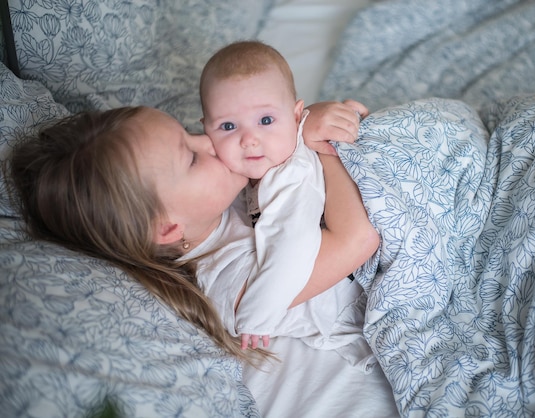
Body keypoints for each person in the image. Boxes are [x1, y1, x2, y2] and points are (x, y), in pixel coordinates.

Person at [8, 102, 379, 366]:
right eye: (192, 157)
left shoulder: (219, 204)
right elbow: (358, 239)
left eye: (191, 133)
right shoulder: (232, 285)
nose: (211, 142)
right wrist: (316, 146)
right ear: (169, 228)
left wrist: (297, 124)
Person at [198, 40, 371, 352]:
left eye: (265, 120)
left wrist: (256, 316)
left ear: (296, 116)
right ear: (205, 131)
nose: (249, 140)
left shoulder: (288, 175)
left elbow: (292, 244)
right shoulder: (259, 168)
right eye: (227, 126)